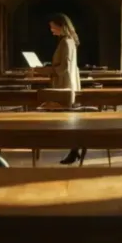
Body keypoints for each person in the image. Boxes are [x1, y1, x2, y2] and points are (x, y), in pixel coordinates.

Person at [46, 13, 82, 165]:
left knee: (68, 119)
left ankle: (74, 150)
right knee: (69, 119)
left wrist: (48, 71)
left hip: (65, 84)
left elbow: (64, 68)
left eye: (53, 27)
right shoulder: (70, 41)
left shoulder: (65, 42)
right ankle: (74, 150)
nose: (51, 30)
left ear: (61, 26)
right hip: (69, 83)